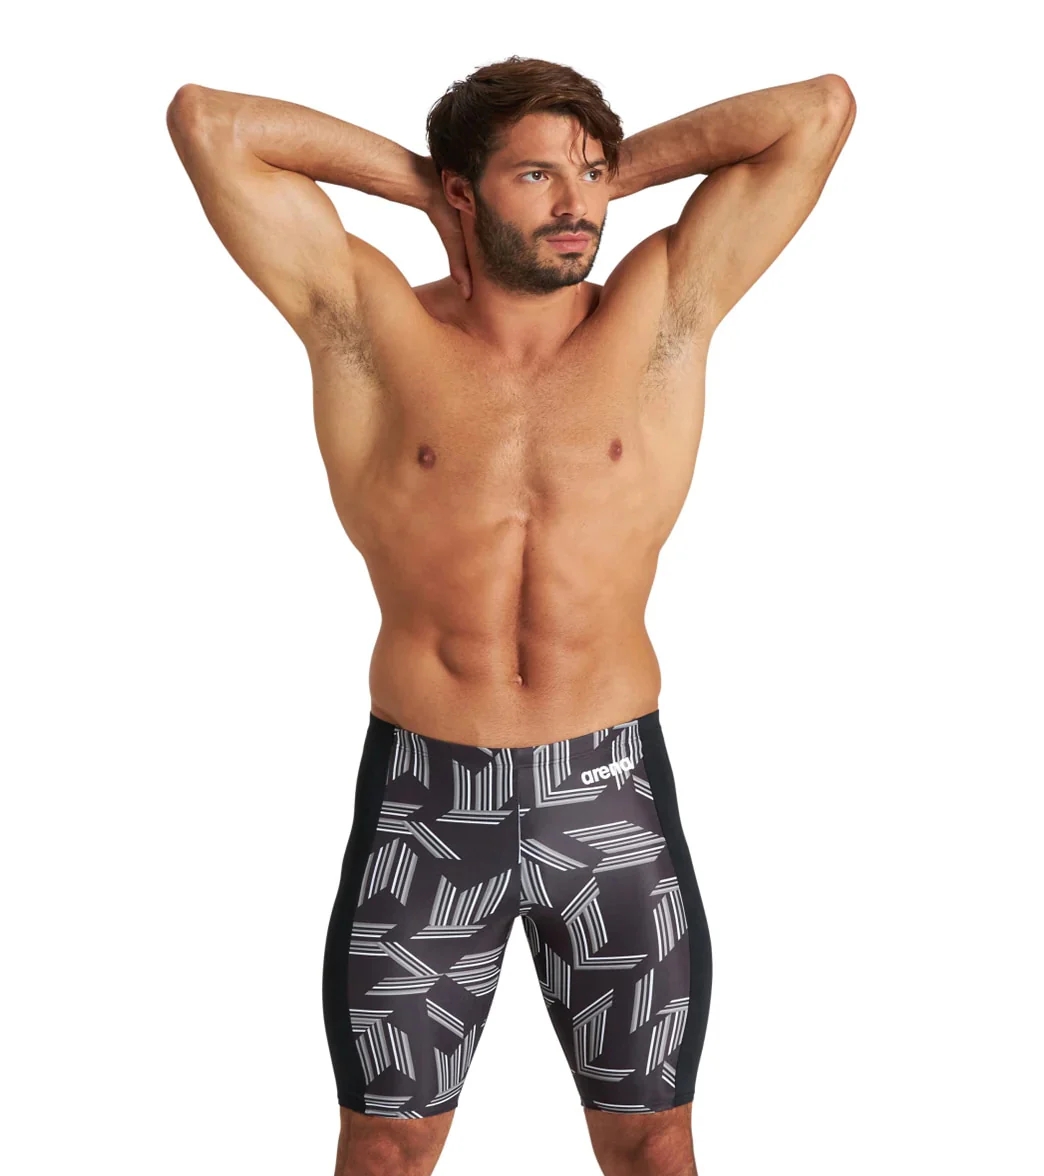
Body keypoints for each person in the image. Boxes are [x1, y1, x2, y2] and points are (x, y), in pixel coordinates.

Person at [166, 55, 855, 1176]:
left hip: (609, 797)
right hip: (429, 805)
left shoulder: (663, 306)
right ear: (462, 191)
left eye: (590, 174)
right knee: (386, 1150)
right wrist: (423, 185)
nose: (576, 204)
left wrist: (603, 173)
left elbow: (817, 112)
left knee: (654, 1144)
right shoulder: (370, 322)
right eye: (536, 176)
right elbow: (210, 124)